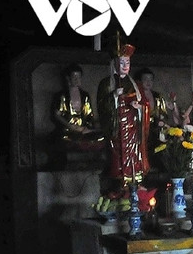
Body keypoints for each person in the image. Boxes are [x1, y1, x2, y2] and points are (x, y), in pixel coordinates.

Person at [97, 43, 149, 183]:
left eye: (127, 62)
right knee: (117, 158)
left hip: (133, 128)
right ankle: (119, 182)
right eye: (121, 62)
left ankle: (135, 179)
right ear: (114, 63)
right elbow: (101, 107)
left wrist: (139, 108)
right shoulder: (106, 83)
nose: (125, 65)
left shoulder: (135, 84)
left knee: (135, 156)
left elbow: (145, 105)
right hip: (117, 128)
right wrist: (113, 96)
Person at [52, 64, 104, 149]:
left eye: (79, 77)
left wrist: (87, 128)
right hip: (68, 130)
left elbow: (89, 115)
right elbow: (57, 115)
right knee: (64, 140)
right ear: (68, 78)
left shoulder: (85, 95)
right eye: (74, 77)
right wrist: (70, 126)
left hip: (83, 129)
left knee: (100, 137)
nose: (77, 80)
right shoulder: (62, 95)